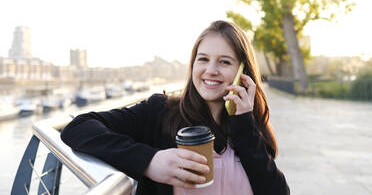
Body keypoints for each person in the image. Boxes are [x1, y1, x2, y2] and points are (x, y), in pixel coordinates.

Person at [61, 20, 290, 195]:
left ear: (243, 72)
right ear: (192, 65)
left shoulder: (250, 128)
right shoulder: (159, 111)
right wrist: (150, 161)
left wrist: (244, 124)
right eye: (203, 59)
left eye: (224, 62)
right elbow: (78, 128)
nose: (211, 70)